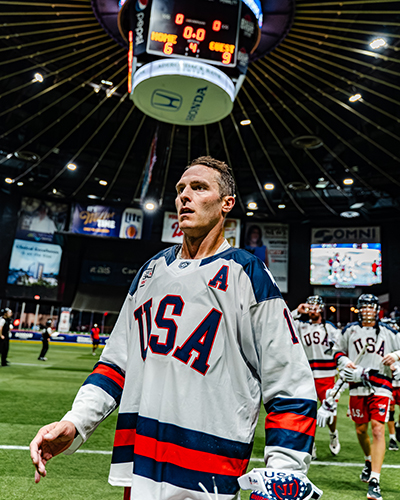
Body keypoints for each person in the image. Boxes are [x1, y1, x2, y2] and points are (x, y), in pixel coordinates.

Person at [30, 156, 320, 500]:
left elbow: (290, 383)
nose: (185, 196)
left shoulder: (248, 274)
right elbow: (115, 366)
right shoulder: (150, 272)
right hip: (138, 469)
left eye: (199, 188)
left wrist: (284, 471)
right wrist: (76, 421)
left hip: (207, 476)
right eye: (181, 189)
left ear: (226, 203)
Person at [333, 293, 400, 500]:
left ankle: (375, 480)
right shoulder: (349, 330)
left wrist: (397, 356)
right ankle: (369, 460)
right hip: (357, 384)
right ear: (359, 309)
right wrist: (345, 362)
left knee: (378, 428)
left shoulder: (390, 331)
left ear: (377, 309)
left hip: (381, 384)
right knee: (361, 429)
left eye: (371, 307)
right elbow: (337, 351)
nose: (368, 310)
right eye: (364, 307)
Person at [292, 295, 341, 458]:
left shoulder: (331, 328)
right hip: (307, 373)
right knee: (309, 411)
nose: (313, 310)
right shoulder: (300, 325)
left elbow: (339, 350)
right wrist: (297, 312)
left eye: (316, 306)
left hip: (327, 374)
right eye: (310, 306)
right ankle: (310, 443)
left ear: (321, 308)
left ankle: (333, 434)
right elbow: (284, 324)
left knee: (329, 411)